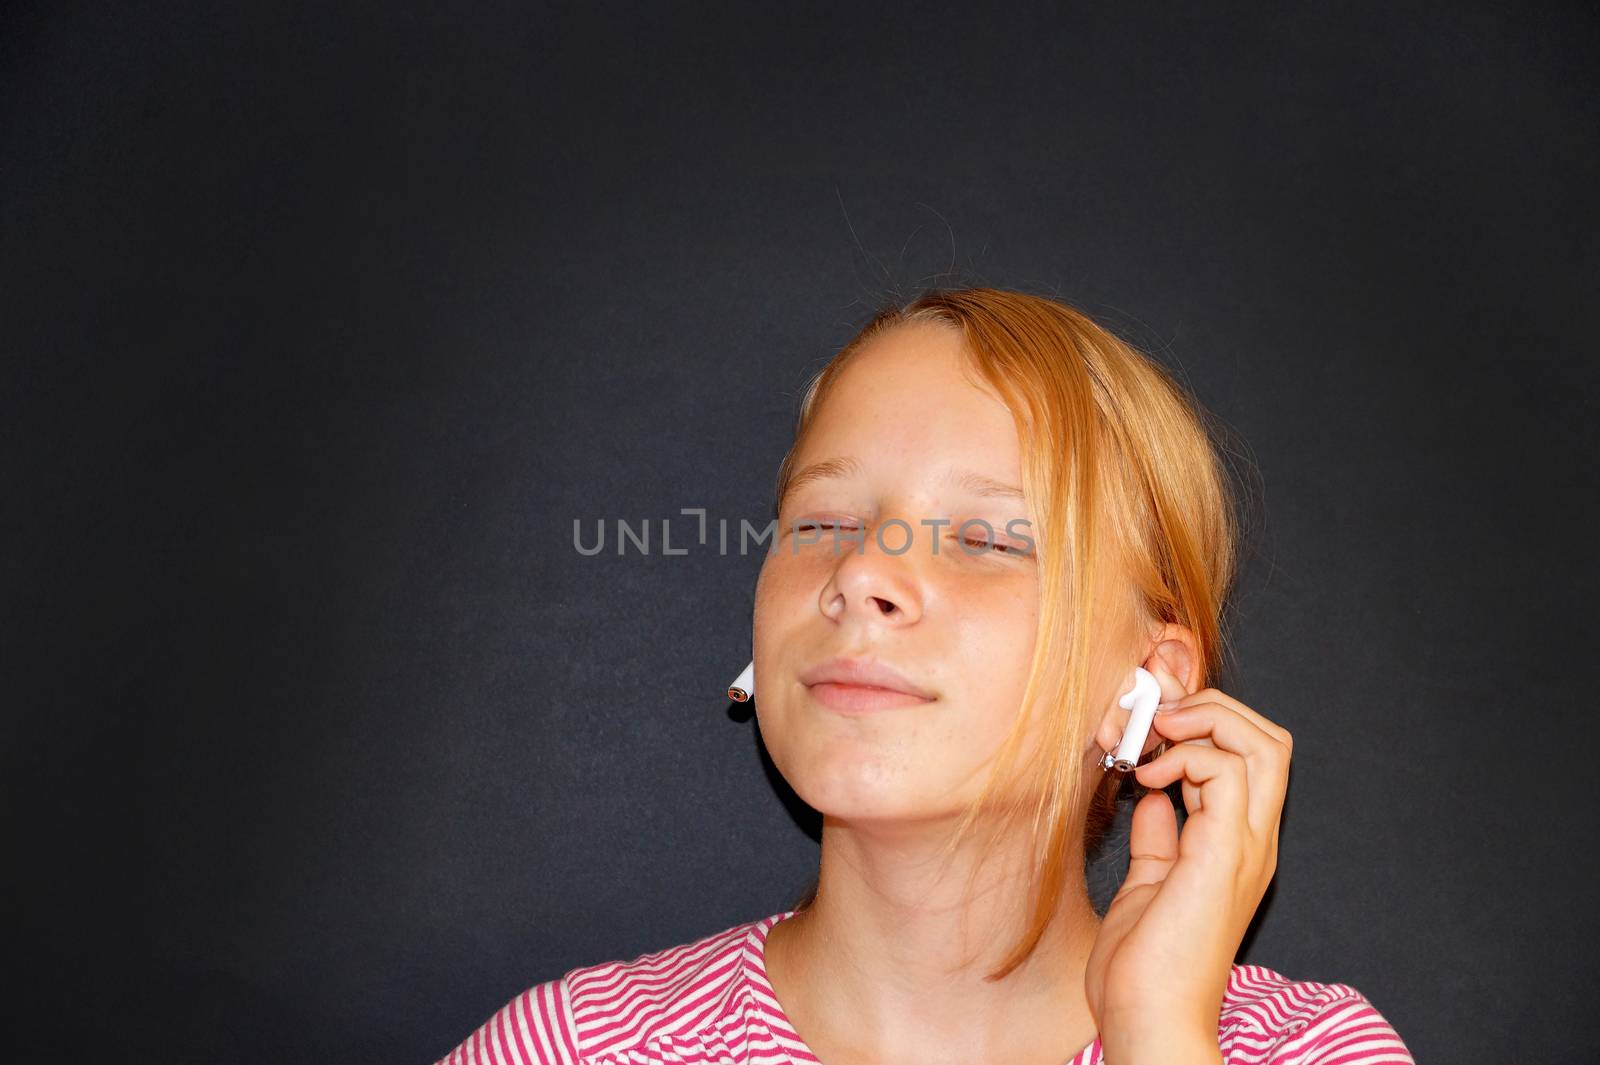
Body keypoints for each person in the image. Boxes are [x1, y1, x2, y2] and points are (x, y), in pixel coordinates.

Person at [433, 288, 1415, 1065]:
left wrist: (1156, 1036)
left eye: (986, 539)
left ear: (1145, 684)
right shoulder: (579, 1047)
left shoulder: (1302, 1052)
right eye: (821, 526)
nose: (860, 573)